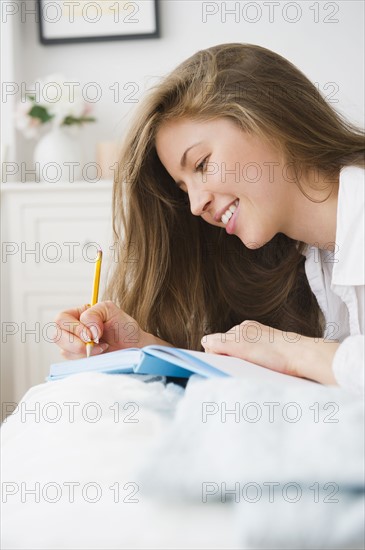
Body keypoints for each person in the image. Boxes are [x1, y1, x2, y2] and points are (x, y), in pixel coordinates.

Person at [54, 43, 364, 394]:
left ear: (268, 117)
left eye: (201, 164)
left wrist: (295, 351)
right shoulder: (315, 260)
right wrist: (144, 349)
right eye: (184, 189)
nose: (196, 206)